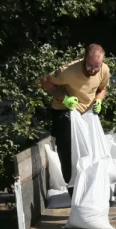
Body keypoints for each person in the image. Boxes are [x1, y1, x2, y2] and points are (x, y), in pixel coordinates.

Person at [40, 44, 110, 183]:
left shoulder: (104, 70)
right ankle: (71, 185)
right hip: (65, 112)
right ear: (84, 59)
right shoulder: (68, 71)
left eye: (98, 66)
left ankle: (91, 183)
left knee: (91, 150)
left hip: (87, 114)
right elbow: (45, 82)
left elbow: (102, 88)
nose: (94, 70)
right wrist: (64, 98)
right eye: (90, 66)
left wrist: (99, 101)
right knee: (69, 152)